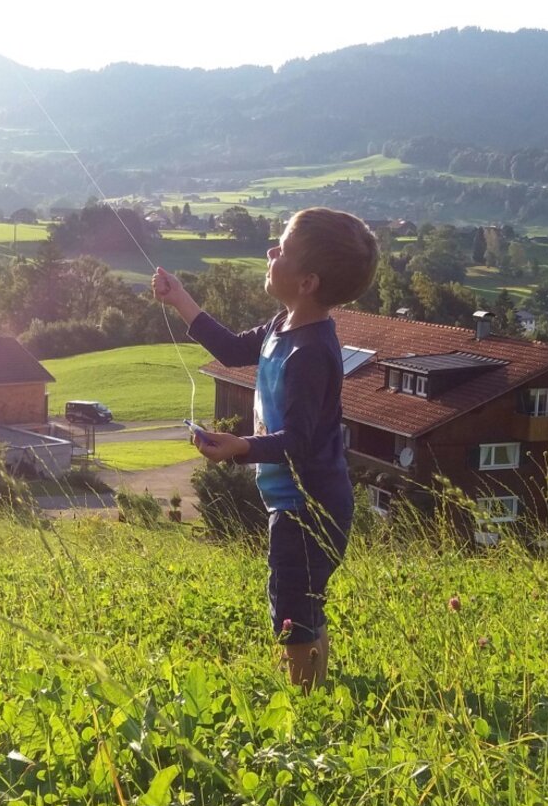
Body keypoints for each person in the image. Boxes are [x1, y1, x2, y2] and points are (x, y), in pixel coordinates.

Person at [152, 207, 378, 689]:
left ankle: (305, 698)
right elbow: (234, 350)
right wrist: (181, 300)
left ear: (308, 282)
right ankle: (309, 680)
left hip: (309, 505)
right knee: (300, 598)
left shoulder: (310, 353)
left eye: (283, 249)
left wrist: (240, 448)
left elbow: (297, 441)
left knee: (293, 604)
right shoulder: (283, 326)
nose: (271, 252)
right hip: (294, 501)